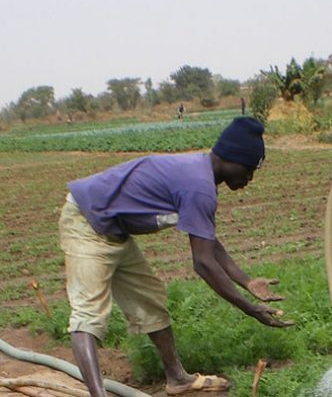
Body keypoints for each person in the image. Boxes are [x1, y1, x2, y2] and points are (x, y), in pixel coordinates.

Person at [58, 116, 293, 396]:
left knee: (151, 301)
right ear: (233, 159)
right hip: (87, 221)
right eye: (249, 170)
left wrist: (247, 281)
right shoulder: (199, 186)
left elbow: (209, 242)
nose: (249, 179)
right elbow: (203, 262)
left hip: (115, 231)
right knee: (89, 313)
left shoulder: (201, 176)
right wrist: (249, 308)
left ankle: (177, 378)